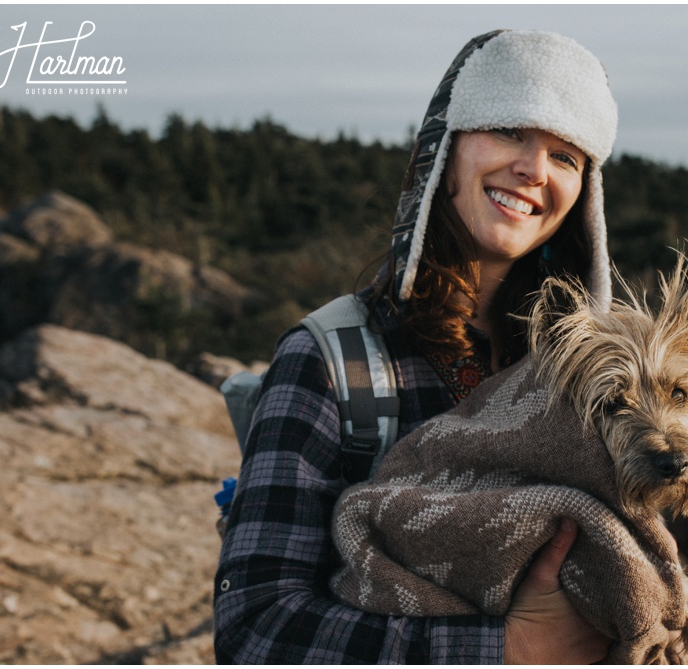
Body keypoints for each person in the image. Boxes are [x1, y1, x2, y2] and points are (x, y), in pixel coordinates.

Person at [214, 29, 619, 663]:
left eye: (567, 157)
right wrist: (504, 648)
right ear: (443, 150)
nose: (535, 169)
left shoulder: (585, 379)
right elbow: (256, 629)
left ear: (583, 200)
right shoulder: (332, 361)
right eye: (511, 129)